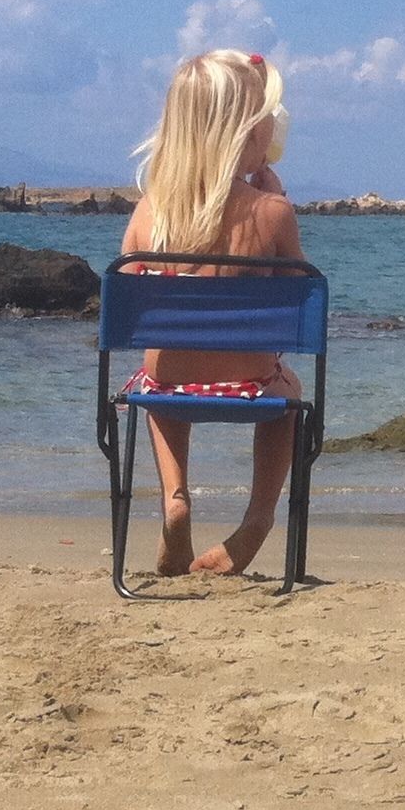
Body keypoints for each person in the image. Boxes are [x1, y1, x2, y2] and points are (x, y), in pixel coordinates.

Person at [119, 50, 305, 578]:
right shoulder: (272, 212)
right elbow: (298, 305)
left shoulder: (150, 211)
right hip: (250, 385)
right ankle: (257, 519)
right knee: (289, 395)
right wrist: (276, 199)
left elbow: (129, 296)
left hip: (170, 383)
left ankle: (176, 499)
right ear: (245, 131)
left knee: (157, 384)